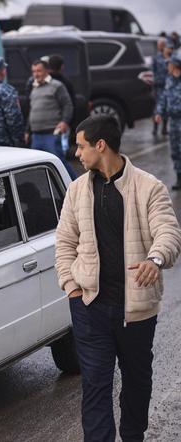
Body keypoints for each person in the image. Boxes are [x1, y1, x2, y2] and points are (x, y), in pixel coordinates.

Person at [55, 115, 181, 441]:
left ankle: (133, 435)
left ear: (101, 145)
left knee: (137, 380)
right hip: (90, 306)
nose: (77, 153)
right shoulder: (77, 190)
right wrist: (71, 288)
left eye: (81, 146)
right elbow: (65, 243)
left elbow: (168, 232)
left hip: (136, 310)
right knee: (95, 384)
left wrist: (155, 258)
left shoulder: (149, 187)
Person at [26, 59, 76, 179]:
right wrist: (27, 130)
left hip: (51, 133)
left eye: (39, 71)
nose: (35, 74)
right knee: (36, 165)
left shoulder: (57, 86)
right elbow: (32, 110)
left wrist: (64, 121)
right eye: (33, 71)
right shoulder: (34, 86)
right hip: (36, 135)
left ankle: (75, 183)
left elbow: (68, 105)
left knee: (58, 161)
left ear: (47, 71)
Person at [155, 55, 181, 190]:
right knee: (175, 150)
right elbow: (164, 97)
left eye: (170, 64)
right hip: (173, 122)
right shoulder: (169, 80)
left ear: (176, 66)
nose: (168, 67)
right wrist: (159, 112)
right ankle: (179, 178)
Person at [152, 39, 173, 136]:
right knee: (157, 109)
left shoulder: (171, 58)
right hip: (158, 86)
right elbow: (152, 71)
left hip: (168, 87)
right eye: (159, 44)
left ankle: (164, 128)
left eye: (163, 44)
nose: (161, 46)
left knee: (166, 109)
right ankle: (155, 128)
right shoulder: (156, 57)